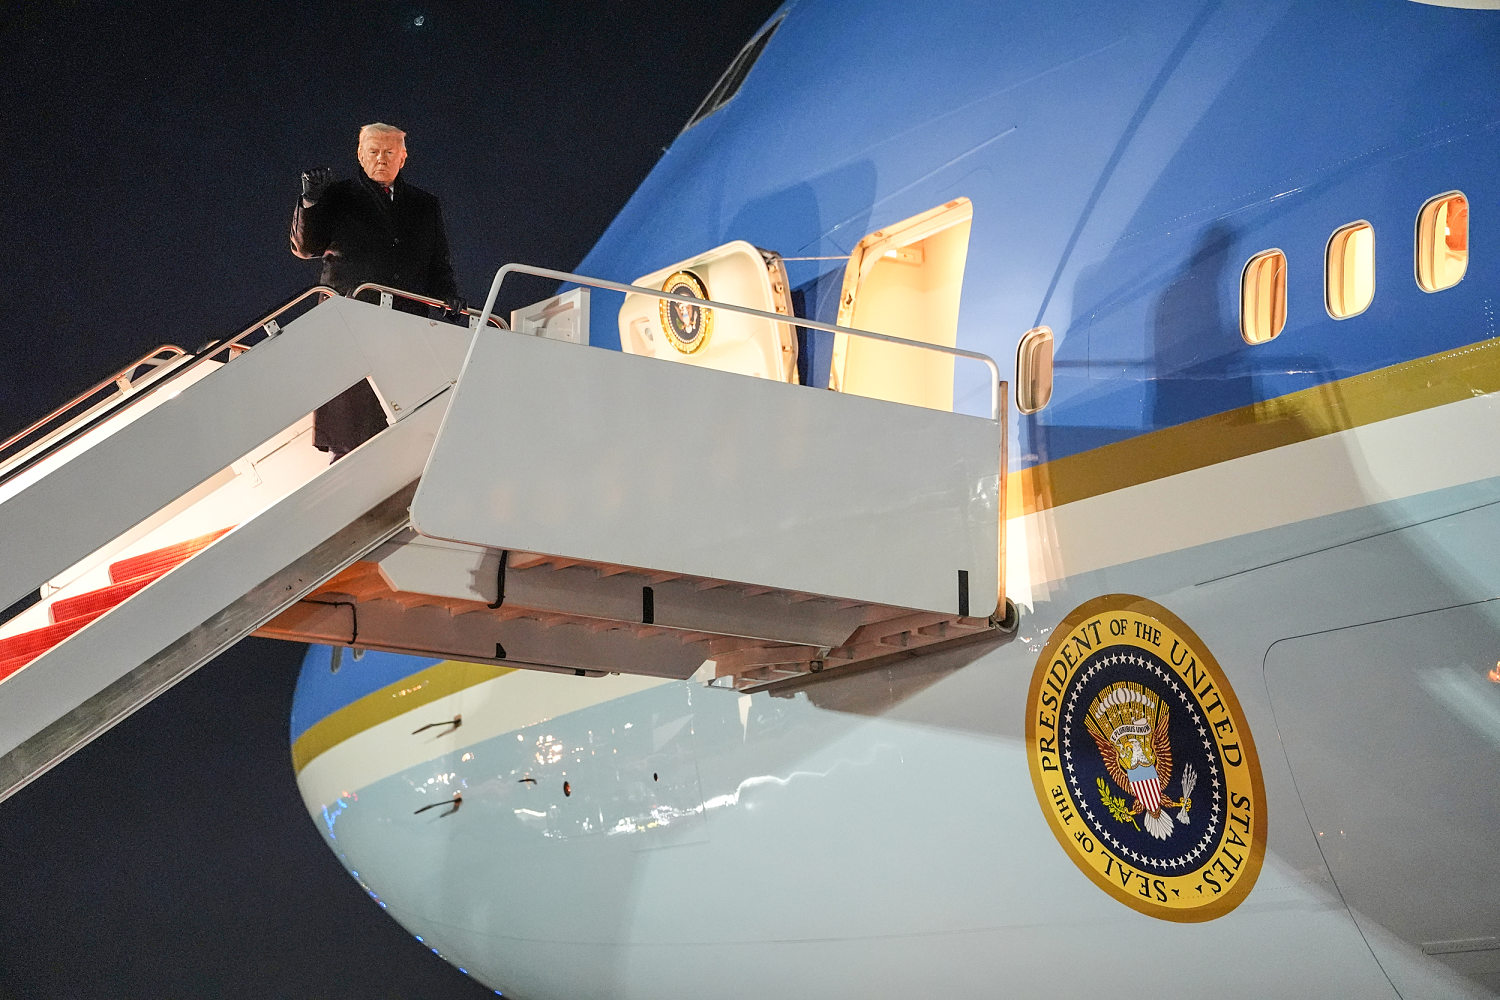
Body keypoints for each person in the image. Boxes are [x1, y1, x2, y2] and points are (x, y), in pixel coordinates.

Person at [290, 122, 464, 457]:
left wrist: (447, 294)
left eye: (388, 152)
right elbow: (306, 247)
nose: (380, 159)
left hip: (406, 325)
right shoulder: (337, 196)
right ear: (360, 154)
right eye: (373, 152)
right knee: (351, 424)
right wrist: (310, 201)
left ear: (403, 157)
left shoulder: (424, 204)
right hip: (351, 323)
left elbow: (437, 260)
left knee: (406, 425)